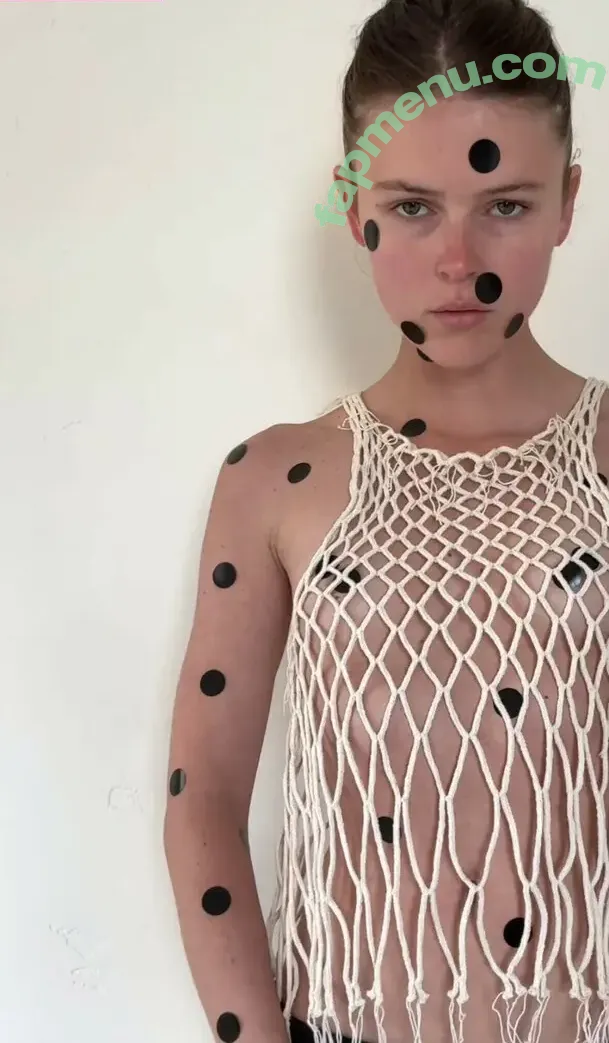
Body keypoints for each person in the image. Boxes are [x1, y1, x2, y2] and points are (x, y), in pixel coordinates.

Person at [163, 1, 609, 1041]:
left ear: (566, 203)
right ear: (351, 204)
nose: (459, 260)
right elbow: (204, 794)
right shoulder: (277, 480)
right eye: (411, 207)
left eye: (504, 204)